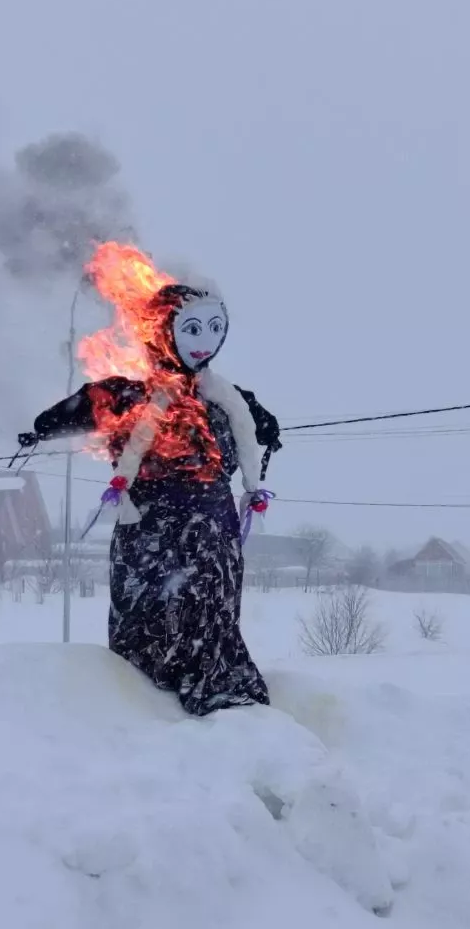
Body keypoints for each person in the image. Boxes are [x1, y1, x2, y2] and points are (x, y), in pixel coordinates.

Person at [19, 280, 281, 716]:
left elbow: (264, 435)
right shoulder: (128, 397)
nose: (204, 341)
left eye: (215, 328)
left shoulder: (233, 402)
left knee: (210, 611)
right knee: (151, 614)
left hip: (213, 532)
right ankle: (145, 703)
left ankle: (214, 685)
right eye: (192, 329)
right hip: (151, 529)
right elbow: (67, 413)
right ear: (162, 332)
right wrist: (42, 429)